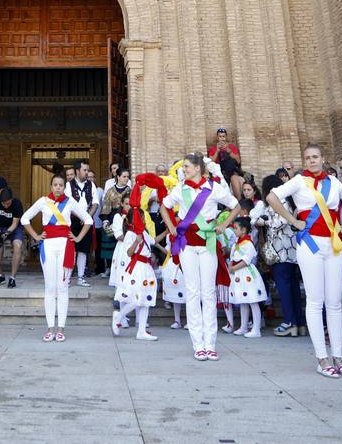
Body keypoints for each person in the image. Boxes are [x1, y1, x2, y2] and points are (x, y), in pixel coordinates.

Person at [266, 143, 342, 377]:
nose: (312, 161)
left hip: (334, 243)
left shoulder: (335, 183)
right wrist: (293, 220)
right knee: (316, 301)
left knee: (335, 302)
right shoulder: (298, 181)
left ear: (323, 158)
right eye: (307, 158)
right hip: (310, 244)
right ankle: (322, 358)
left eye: (315, 157)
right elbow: (272, 196)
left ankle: (338, 357)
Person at [163, 152, 238, 362]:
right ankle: (198, 344)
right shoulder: (181, 188)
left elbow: (236, 206)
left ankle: (210, 344)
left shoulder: (214, 188)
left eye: (186, 166)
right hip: (187, 244)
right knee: (192, 292)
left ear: (197, 168)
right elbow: (164, 206)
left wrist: (224, 224)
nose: (183, 169)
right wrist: (172, 229)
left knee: (208, 293)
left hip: (208, 243)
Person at [22, 172, 91, 341]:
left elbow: (88, 219)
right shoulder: (43, 202)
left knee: (62, 287)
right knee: (50, 287)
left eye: (61, 185)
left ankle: (61, 328)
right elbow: (25, 219)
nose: (58, 188)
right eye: (55, 185)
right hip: (48, 246)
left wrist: (78, 238)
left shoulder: (70, 202)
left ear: (64, 186)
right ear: (51, 186)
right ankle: (50, 328)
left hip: (66, 246)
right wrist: (36, 236)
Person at [109, 175, 162, 342]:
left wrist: (170, 230)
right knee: (136, 298)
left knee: (145, 299)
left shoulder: (144, 233)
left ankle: (141, 331)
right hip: (136, 267)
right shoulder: (131, 234)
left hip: (146, 267)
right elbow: (130, 253)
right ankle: (119, 316)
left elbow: (154, 241)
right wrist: (136, 242)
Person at [256, 174, 305, 338]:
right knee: (292, 287)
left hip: (281, 250)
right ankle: (299, 323)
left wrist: (263, 222)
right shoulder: (288, 200)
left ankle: (289, 322)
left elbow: (279, 222)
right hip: (290, 250)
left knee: (284, 287)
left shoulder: (279, 200)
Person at [225, 215, 267, 338]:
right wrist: (230, 266)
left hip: (247, 274)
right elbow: (232, 258)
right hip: (238, 275)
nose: (234, 230)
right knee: (243, 301)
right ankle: (243, 327)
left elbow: (246, 261)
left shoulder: (248, 244)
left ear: (243, 230)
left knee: (253, 301)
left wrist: (233, 268)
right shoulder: (236, 244)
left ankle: (256, 328)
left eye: (236, 228)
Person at [0, 187, 24, 288]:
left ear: (12, 199)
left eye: (8, 203)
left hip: (15, 227)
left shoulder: (17, 204)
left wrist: (8, 232)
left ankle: (12, 278)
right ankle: (0, 275)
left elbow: (15, 223)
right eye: (4, 204)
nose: (6, 206)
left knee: (17, 245)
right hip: (1, 227)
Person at [67, 159, 97, 285]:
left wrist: (86, 218)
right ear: (77, 171)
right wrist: (80, 217)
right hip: (73, 221)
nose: (86, 172)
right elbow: (68, 204)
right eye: (84, 170)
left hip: (86, 221)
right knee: (71, 249)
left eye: (87, 170)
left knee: (83, 250)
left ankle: (80, 278)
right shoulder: (68, 185)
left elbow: (95, 203)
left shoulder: (91, 185)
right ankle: (67, 278)